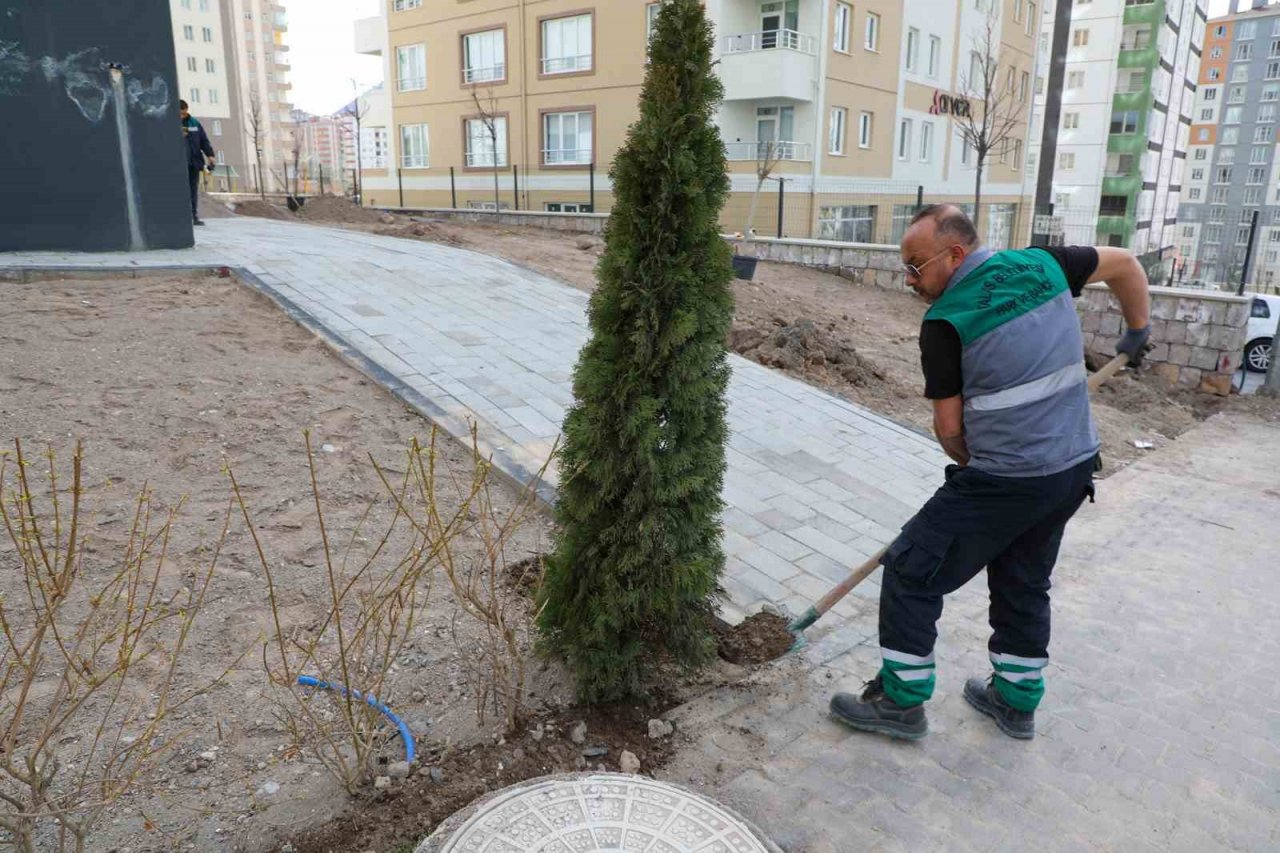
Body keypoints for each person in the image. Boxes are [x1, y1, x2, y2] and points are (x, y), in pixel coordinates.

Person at [829, 204, 1150, 740]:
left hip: (1006, 479)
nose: (910, 279)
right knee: (1023, 578)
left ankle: (900, 702)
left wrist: (976, 469)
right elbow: (1125, 265)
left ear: (955, 254)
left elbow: (949, 429)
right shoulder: (1044, 265)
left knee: (911, 568)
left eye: (916, 266)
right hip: (1071, 470)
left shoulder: (946, 321)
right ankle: (1016, 699)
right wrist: (1137, 329)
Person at [180, 99, 216, 226]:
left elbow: (203, 140)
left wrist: (210, 155)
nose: (183, 115)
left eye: (184, 113)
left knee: (193, 190)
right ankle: (180, 217)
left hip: (194, 163)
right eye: (181, 114)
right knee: (179, 191)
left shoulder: (194, 123)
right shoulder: (170, 123)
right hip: (178, 164)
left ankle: (193, 216)